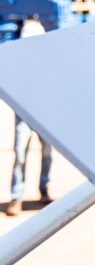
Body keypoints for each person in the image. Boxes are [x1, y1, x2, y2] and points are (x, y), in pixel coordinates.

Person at [2, 20, 52, 217]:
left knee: (46, 154)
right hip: (23, 114)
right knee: (20, 155)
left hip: (44, 114)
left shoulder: (49, 63)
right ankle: (16, 197)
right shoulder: (17, 62)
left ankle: (44, 190)